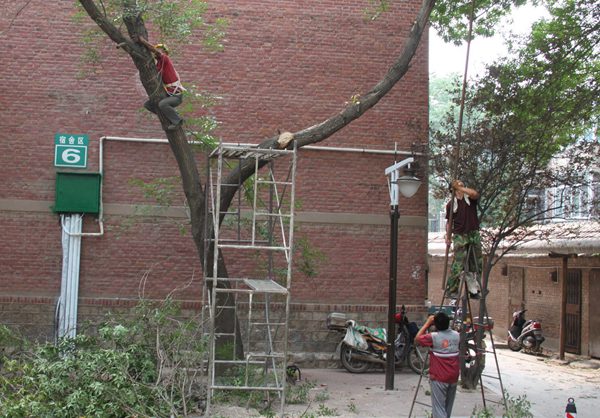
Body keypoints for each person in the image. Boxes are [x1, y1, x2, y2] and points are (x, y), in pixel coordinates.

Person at [415, 312, 460, 418]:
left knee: (439, 409)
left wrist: (427, 323)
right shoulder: (456, 335)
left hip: (439, 377)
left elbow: (417, 339)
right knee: (447, 408)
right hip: (453, 376)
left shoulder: (434, 337)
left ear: (435, 325)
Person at [137, 36, 185, 131]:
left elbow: (156, 52)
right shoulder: (159, 64)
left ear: (165, 52)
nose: (157, 52)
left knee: (163, 104)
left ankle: (177, 121)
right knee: (148, 105)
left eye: (160, 50)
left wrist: (142, 41)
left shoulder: (165, 59)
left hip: (176, 96)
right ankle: (170, 115)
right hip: (168, 94)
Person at [445, 179, 482, 299]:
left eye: (462, 185)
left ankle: (473, 290)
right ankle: (452, 289)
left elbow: (474, 194)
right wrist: (448, 237)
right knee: (459, 262)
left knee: (476, 262)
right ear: (453, 190)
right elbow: (449, 222)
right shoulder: (451, 204)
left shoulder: (469, 199)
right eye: (458, 185)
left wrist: (459, 187)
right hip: (460, 234)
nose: (462, 187)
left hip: (473, 232)